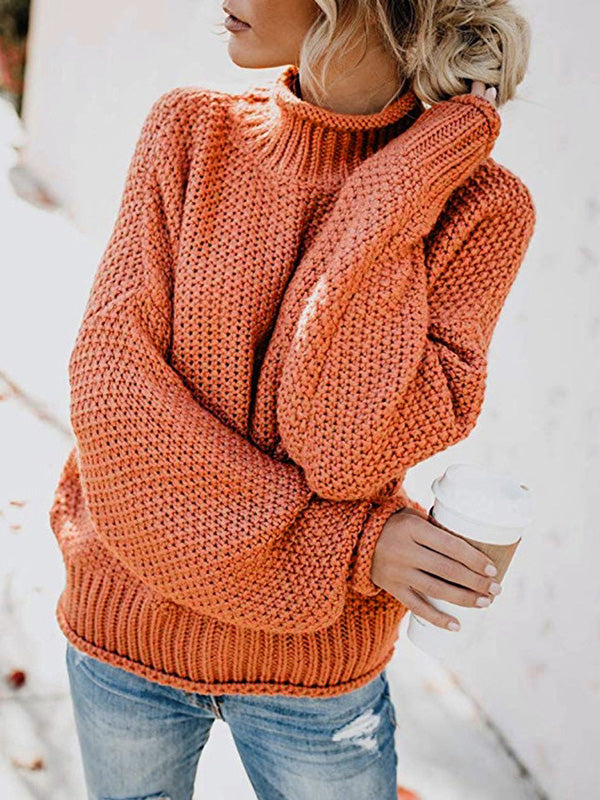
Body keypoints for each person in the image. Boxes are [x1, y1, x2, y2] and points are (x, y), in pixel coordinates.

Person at [49, 1, 536, 798]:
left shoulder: (478, 210)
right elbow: (113, 397)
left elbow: (340, 446)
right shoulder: (189, 133)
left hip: (312, 682)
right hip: (126, 637)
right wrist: (346, 549)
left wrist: (397, 188)